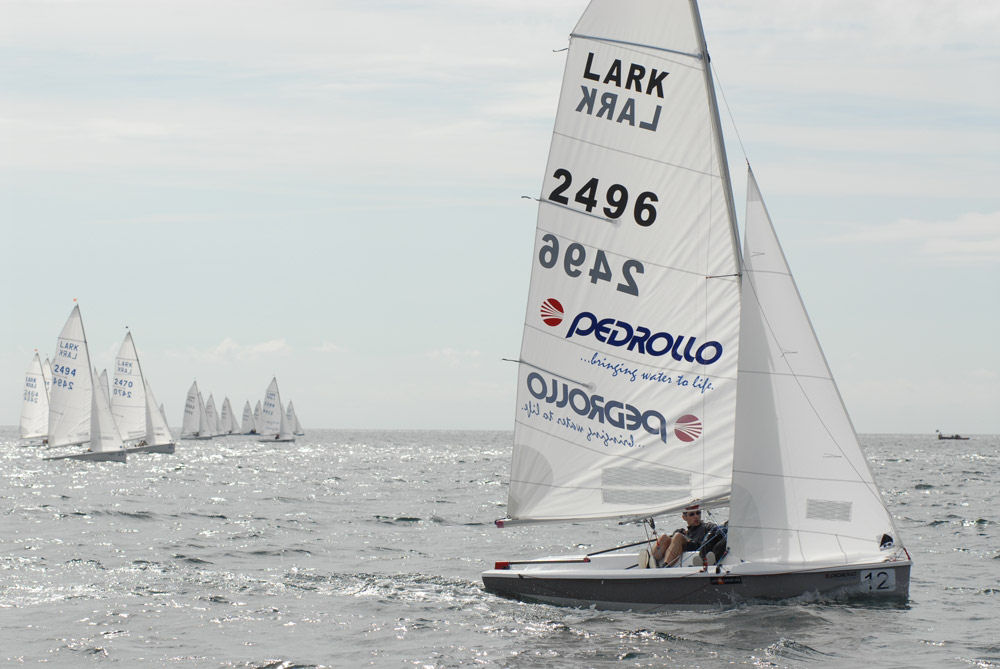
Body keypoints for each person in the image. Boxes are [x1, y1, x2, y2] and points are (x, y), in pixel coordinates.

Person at [650, 506, 717, 567]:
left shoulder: (707, 526)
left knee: (678, 536)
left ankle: (666, 565)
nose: (696, 516)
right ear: (684, 517)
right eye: (692, 514)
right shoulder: (682, 532)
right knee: (664, 537)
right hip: (684, 545)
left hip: (697, 548)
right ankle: (650, 562)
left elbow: (717, 529)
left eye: (698, 513)